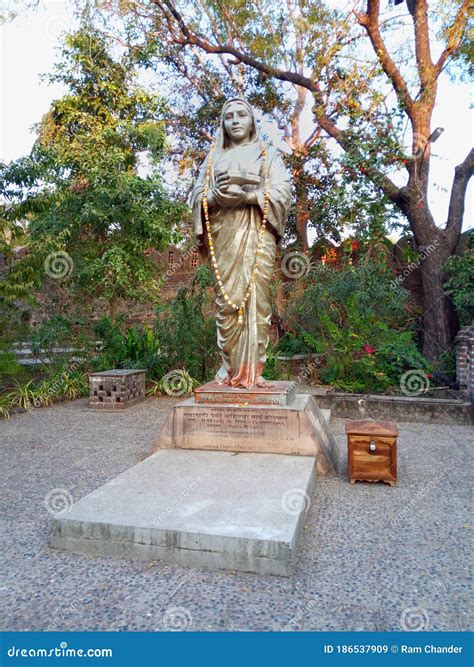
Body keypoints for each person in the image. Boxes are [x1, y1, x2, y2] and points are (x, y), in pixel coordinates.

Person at [191, 98, 291, 388]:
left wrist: (248, 197)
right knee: (226, 303)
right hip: (225, 237)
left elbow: (282, 191)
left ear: (251, 121)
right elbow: (197, 194)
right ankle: (229, 367)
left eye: (241, 115)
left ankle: (254, 370)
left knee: (257, 301)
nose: (235, 121)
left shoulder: (268, 155)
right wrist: (212, 198)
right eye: (229, 116)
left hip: (257, 234)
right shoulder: (212, 159)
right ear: (223, 123)